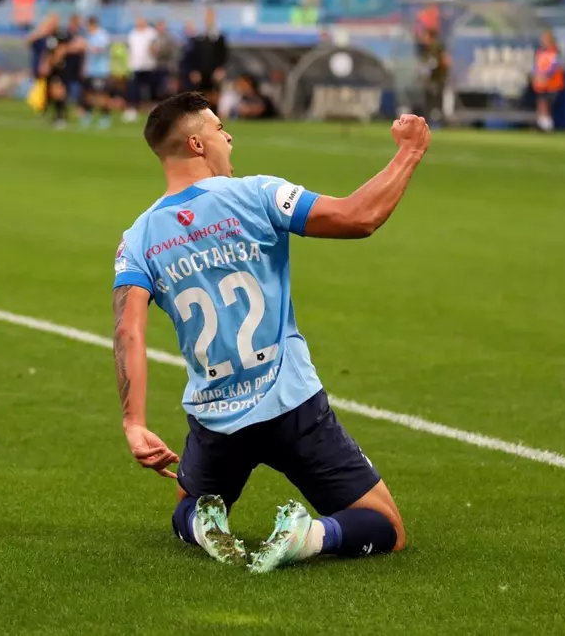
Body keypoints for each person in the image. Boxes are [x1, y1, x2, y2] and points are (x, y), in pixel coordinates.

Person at [112, 92, 430, 572]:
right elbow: (358, 217)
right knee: (385, 527)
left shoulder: (138, 238)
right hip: (291, 405)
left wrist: (134, 424)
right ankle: (310, 536)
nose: (229, 138)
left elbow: (128, 331)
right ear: (197, 144)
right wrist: (410, 151)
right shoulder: (257, 195)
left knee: (188, 507)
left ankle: (202, 526)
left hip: (215, 421)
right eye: (220, 129)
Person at [123, 17, 158, 123]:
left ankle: (152, 110)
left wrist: (153, 49)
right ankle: (133, 109)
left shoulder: (151, 33)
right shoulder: (132, 34)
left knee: (150, 89)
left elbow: (155, 47)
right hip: (135, 66)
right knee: (133, 88)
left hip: (148, 65)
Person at [82, 16, 112, 129]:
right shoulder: (89, 35)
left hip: (101, 70)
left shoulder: (102, 35)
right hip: (90, 70)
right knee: (89, 94)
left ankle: (105, 117)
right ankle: (88, 115)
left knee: (102, 95)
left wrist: (86, 46)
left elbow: (99, 49)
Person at [532, 29, 565, 132]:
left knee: (546, 103)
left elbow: (555, 65)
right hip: (541, 84)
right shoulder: (540, 52)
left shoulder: (555, 52)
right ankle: (542, 123)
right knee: (541, 103)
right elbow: (536, 66)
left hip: (552, 84)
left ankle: (547, 125)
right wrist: (536, 75)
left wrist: (546, 75)